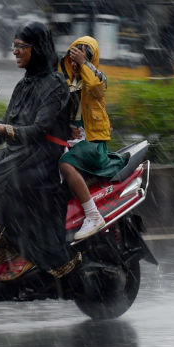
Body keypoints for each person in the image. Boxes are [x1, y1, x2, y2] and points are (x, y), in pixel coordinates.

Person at [0, 21, 80, 281]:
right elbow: (6, 127)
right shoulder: (24, 85)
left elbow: (38, 130)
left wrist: (2, 129)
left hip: (44, 158)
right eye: (14, 46)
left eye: (21, 46)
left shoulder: (55, 84)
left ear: (37, 48)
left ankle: (20, 253)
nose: (15, 51)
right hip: (19, 155)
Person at [58, 36, 126, 241]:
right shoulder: (63, 81)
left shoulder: (98, 77)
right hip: (68, 140)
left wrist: (84, 65)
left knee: (65, 165)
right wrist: (65, 127)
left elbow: (97, 89)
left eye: (82, 57)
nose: (75, 63)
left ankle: (93, 215)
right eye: (73, 56)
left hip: (93, 142)